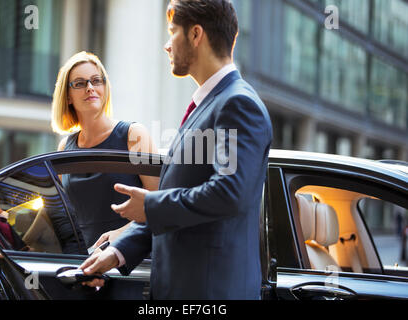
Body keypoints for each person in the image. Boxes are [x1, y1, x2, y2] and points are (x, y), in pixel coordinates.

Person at [80, 0, 273, 300]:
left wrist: (151, 205)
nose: (167, 46)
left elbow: (229, 192)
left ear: (196, 35)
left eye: (172, 33)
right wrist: (117, 252)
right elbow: (178, 205)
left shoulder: (237, 104)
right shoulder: (210, 105)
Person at [51, 51, 159, 249]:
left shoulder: (134, 135)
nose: (90, 88)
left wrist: (122, 233)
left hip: (129, 258)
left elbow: (160, 203)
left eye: (96, 80)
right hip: (83, 264)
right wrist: (11, 236)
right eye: (80, 83)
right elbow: (53, 212)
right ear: (67, 97)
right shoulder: (65, 147)